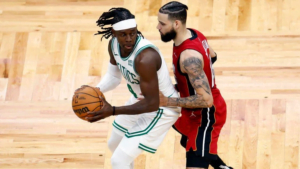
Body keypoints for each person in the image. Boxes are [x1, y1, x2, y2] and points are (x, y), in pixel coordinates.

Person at [79, 7, 179, 169]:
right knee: (114, 145)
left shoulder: (145, 58)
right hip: (140, 100)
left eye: (132, 33)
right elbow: (113, 77)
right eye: (123, 34)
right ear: (114, 33)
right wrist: (95, 91)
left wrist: (112, 110)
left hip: (161, 109)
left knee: (118, 161)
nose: (129, 39)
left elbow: (152, 103)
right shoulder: (113, 46)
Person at [156, 1, 233, 169]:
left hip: (206, 116)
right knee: (191, 144)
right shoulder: (194, 34)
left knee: (197, 153)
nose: (158, 27)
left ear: (176, 24)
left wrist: (167, 101)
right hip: (193, 111)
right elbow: (212, 56)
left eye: (162, 23)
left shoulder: (188, 57)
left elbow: (206, 100)